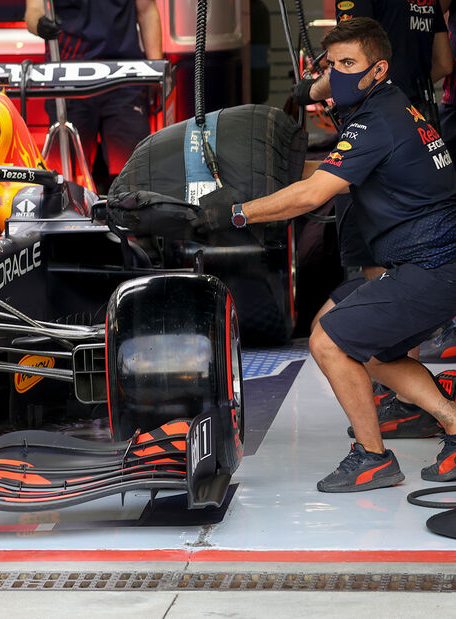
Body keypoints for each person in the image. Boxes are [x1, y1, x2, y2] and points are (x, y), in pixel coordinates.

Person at [195, 17, 456, 492]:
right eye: (331, 64)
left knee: (330, 344)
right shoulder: (396, 104)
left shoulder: (376, 122)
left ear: (378, 70)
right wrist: (312, 87)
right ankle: (451, 420)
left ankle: (373, 459)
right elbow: (325, 107)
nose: (337, 75)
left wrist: (235, 213)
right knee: (332, 326)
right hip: (429, 265)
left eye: (349, 64)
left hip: (434, 267)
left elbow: (311, 195)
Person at [298, 1, 453, 438]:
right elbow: (443, 62)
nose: (338, 70)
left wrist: (308, 91)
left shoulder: (360, 4)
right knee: (359, 321)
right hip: (419, 113)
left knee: (361, 323)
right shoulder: (427, 2)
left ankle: (389, 418)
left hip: (377, 135)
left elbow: (343, 67)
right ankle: (410, 402)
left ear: (378, 68)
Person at [25, 0, 162, 194]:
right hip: (69, 80)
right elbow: (32, 11)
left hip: (124, 77)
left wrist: (156, 70)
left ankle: (132, 216)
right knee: (67, 180)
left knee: (135, 174)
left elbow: (147, 10)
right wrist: (40, 24)